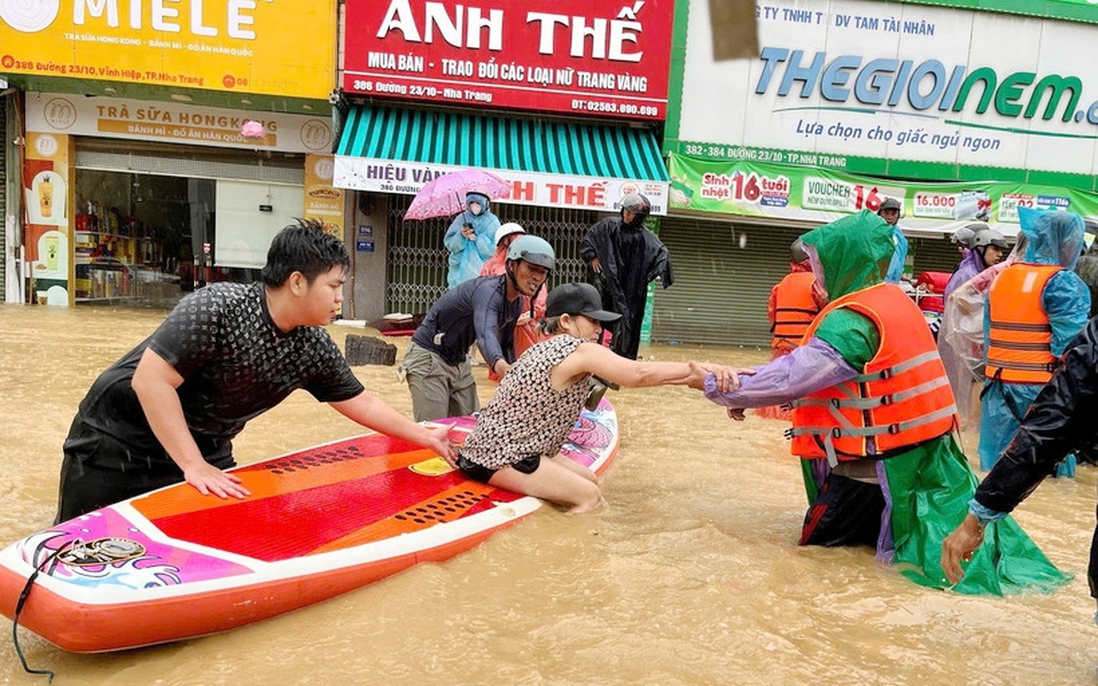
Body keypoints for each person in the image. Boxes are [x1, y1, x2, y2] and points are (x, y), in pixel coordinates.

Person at [696, 210, 1067, 594]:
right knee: (876, 564)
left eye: (822, 265)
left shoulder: (852, 320)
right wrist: (749, 388)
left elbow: (796, 375)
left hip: (868, 467)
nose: (818, 277)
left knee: (814, 562)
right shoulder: (891, 299)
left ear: (845, 260)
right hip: (918, 455)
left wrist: (717, 384)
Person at [56, 220, 455, 523]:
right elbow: (150, 380)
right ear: (298, 282)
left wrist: (424, 436)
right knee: (73, 556)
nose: (340, 298)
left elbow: (361, 401)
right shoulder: (216, 307)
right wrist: (192, 465)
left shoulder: (311, 345)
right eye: (334, 286)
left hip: (207, 452)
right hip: (113, 445)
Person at [455, 282, 738, 513]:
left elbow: (638, 375)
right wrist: (693, 370)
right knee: (589, 497)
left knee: (590, 478)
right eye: (593, 321)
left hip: (492, 448)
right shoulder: (578, 349)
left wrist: (698, 376)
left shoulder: (536, 348)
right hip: (499, 458)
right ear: (566, 321)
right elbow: (638, 374)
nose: (599, 330)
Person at [942, 317, 1098, 597]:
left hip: (1008, 393)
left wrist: (978, 514)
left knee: (999, 459)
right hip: (1024, 391)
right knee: (1060, 475)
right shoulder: (1064, 287)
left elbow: (1050, 430)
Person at [978, 208, 1089, 475]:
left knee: (995, 473)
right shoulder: (1062, 283)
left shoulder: (1003, 277)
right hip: (1043, 394)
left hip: (997, 390)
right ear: (1064, 242)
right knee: (1048, 475)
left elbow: (988, 334)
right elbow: (1075, 348)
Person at [403, 235, 555, 422]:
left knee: (472, 429)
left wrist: (516, 376)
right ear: (512, 265)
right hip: (429, 357)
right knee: (433, 432)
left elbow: (506, 344)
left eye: (543, 272)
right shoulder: (488, 292)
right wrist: (503, 369)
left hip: (459, 361)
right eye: (531, 268)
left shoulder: (517, 302)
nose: (537, 277)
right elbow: (485, 334)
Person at [580, 192, 673, 360]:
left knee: (627, 321)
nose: (627, 215)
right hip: (605, 283)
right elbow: (590, 238)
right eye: (626, 211)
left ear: (640, 217)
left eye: (632, 213)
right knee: (598, 315)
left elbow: (662, 254)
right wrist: (591, 256)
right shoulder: (609, 226)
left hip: (630, 289)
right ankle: (591, 353)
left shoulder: (645, 238)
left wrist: (654, 274)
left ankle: (621, 357)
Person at [938, 225, 1009, 427]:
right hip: (964, 342)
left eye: (1001, 251)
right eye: (994, 249)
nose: (999, 255)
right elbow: (957, 304)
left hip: (975, 341)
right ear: (980, 249)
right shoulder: (966, 275)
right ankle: (969, 425)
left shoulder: (984, 274)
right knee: (975, 380)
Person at [755, 238, 818, 420]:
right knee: (800, 410)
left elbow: (772, 316)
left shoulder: (780, 286)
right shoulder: (818, 285)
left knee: (777, 402)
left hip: (780, 350)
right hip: (803, 352)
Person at [479, 222, 547, 367]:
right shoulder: (491, 266)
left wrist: (532, 314)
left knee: (529, 363)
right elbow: (484, 294)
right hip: (502, 322)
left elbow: (541, 292)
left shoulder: (531, 263)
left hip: (526, 323)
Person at [443, 191, 499, 289]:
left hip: (483, 274)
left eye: (478, 203)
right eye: (472, 203)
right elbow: (449, 243)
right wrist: (461, 236)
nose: (475, 206)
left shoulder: (492, 222)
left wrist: (478, 239)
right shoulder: (461, 219)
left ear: (485, 204)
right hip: (459, 272)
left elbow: (495, 250)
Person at [877, 197, 909, 284]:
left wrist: (902, 277)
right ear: (880, 213)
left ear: (898, 215)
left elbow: (898, 261)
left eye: (893, 213)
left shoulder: (900, 237)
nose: (890, 216)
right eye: (886, 213)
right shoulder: (873, 232)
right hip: (875, 284)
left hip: (893, 285)